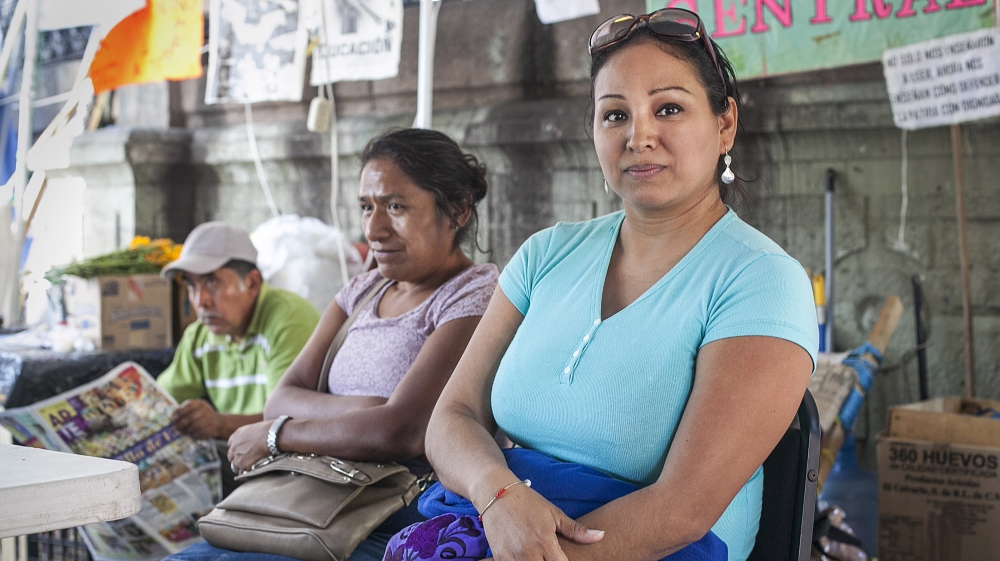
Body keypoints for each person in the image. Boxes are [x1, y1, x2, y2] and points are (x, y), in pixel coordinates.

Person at [416, 9, 819, 561]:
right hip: (496, 529)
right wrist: (497, 493)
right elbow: (450, 419)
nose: (639, 136)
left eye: (669, 108)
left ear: (725, 124)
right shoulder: (546, 253)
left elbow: (681, 512)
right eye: (615, 115)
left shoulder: (762, 282)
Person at [168, 128, 498, 561]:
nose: (375, 228)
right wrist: (368, 410)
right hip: (318, 489)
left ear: (456, 210)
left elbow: (406, 431)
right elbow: (280, 397)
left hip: (398, 509)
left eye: (395, 206)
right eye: (367, 207)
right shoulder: (361, 292)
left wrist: (277, 434)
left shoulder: (473, 295)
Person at [157, 222, 319, 491]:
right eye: (191, 286)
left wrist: (220, 424)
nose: (201, 301)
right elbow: (161, 401)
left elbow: (289, 423)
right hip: (242, 455)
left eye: (211, 282)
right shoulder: (200, 336)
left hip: (291, 464)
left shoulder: (288, 318)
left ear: (252, 283)